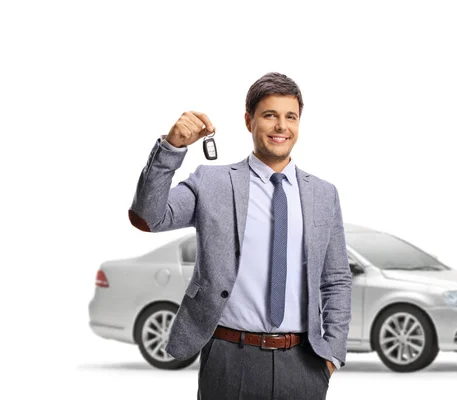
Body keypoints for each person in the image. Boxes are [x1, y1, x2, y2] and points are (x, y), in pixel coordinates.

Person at [128, 72, 352, 399]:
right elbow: (149, 217)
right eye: (270, 115)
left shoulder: (323, 194)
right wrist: (171, 149)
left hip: (304, 364)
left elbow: (336, 279)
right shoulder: (212, 183)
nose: (281, 126)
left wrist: (331, 356)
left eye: (291, 117)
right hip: (229, 359)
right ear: (249, 121)